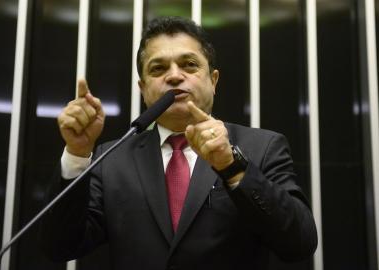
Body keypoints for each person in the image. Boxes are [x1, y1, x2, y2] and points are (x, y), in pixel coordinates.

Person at [40, 16, 317, 270]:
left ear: (213, 80)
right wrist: (77, 153)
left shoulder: (263, 147)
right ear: (143, 89)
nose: (174, 75)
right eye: (158, 68)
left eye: (189, 64)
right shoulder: (111, 158)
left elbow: (299, 243)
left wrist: (232, 167)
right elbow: (60, 246)